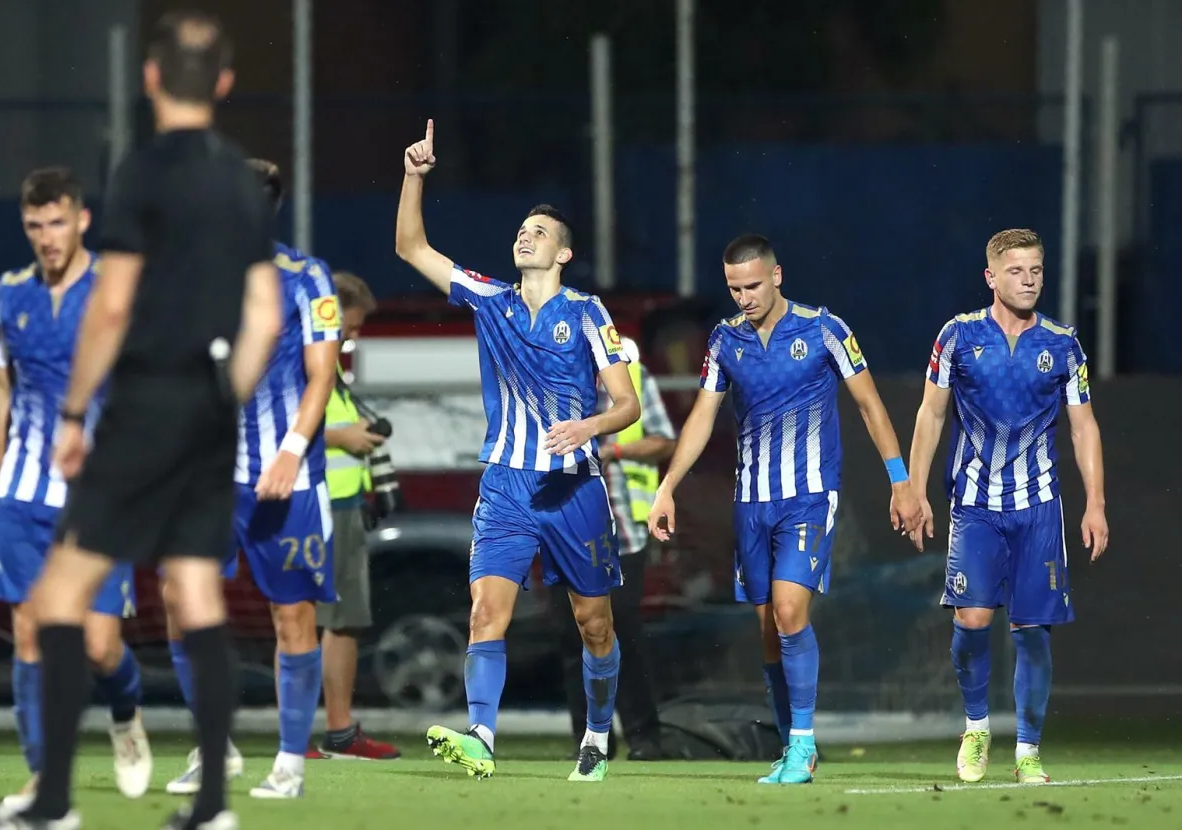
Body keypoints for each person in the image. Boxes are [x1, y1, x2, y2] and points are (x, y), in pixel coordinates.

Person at [0, 12, 283, 830]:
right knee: (196, 595)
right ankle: (215, 808)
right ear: (224, 85)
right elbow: (263, 312)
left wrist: (79, 411)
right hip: (208, 408)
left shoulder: (143, 171)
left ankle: (52, 801)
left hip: (146, 401)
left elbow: (112, 304)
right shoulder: (238, 177)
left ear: (152, 80)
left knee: (56, 599)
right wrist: (224, 393)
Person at [395, 119, 641, 782]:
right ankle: (480, 735)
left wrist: (590, 429)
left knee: (593, 626)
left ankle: (595, 734)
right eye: (521, 230)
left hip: (574, 492)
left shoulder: (589, 313)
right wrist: (415, 176)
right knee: (485, 610)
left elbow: (628, 404)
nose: (524, 236)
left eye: (539, 233)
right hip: (506, 486)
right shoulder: (491, 299)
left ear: (563, 254)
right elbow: (411, 246)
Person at [647, 233, 922, 785]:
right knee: (769, 630)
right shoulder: (725, 341)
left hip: (809, 496)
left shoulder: (825, 329)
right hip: (751, 503)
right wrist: (667, 485)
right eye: (733, 288)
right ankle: (791, 742)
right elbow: (702, 417)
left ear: (777, 276)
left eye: (751, 285)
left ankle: (801, 746)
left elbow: (869, 406)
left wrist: (902, 482)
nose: (743, 297)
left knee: (791, 610)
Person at [164, 156, 341, 799]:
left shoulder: (306, 276)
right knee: (181, 604)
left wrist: (293, 449)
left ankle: (290, 763)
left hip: (284, 475)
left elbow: (322, 374)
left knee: (290, 615)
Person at [907, 228, 1109, 786]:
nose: (1029, 280)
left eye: (1037, 271)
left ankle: (1027, 750)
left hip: (1039, 508)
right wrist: (914, 487)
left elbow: (1083, 426)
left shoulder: (1064, 343)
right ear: (991, 277)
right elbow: (930, 414)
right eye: (1017, 271)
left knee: (1032, 629)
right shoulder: (958, 337)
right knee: (971, 620)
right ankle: (976, 727)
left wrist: (1095, 504)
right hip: (974, 504)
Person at [0, 167, 152, 822]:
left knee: (97, 647)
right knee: (28, 632)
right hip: (24, 497)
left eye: (57, 223)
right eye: (34, 226)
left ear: (81, 220)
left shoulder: (115, 290)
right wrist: (1, 476)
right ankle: (41, 782)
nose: (46, 238)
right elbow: (0, 387)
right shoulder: (7, 296)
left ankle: (126, 709)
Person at [548, 334, 675, 761]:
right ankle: (589, 742)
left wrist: (615, 449)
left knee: (623, 631)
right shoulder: (554, 385)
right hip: (566, 531)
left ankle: (645, 737)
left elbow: (664, 441)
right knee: (572, 638)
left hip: (623, 532)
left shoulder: (634, 378)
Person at [307, 270, 402, 760]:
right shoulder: (302, 361)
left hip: (344, 505)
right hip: (314, 505)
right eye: (353, 325)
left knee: (344, 622)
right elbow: (277, 426)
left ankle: (340, 733)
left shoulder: (331, 369)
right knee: (302, 618)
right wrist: (341, 437)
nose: (355, 335)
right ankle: (297, 735)